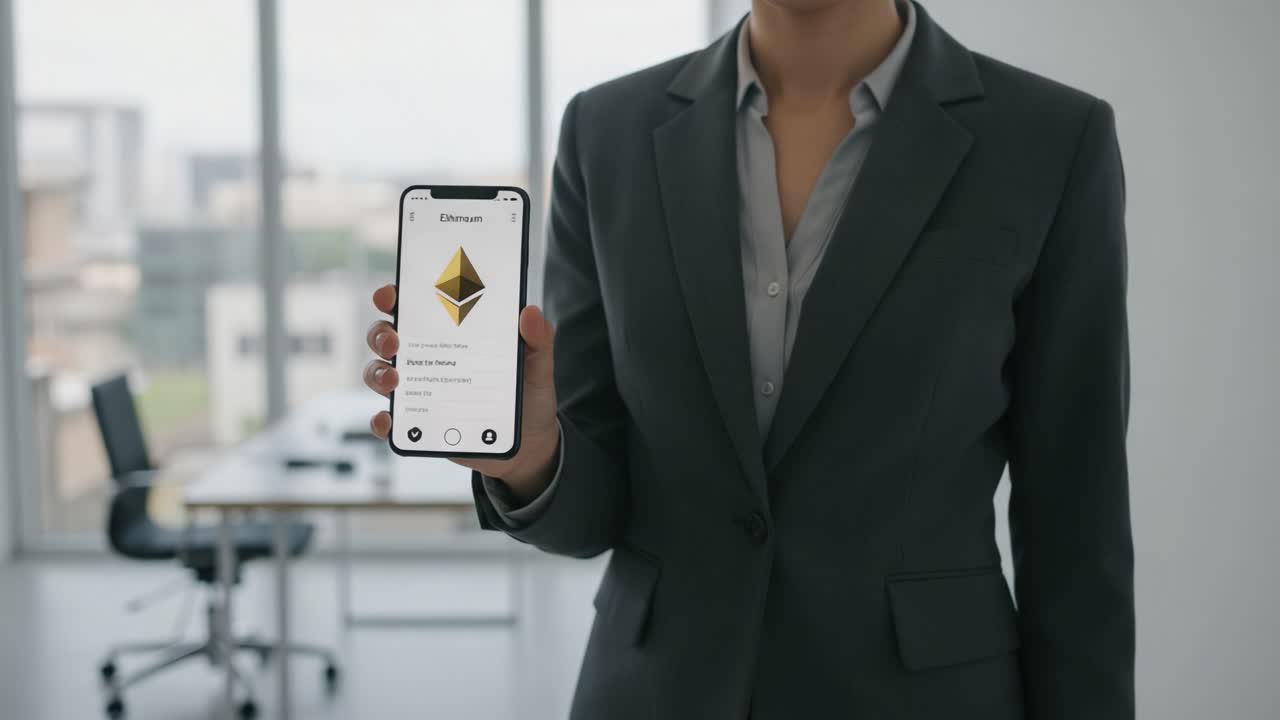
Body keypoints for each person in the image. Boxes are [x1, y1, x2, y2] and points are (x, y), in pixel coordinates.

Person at [361, 0, 1133, 717]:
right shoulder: (608, 131)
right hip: (657, 690)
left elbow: (1077, 521)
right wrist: (533, 458)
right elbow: (593, 514)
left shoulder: (1051, 140)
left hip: (919, 695)